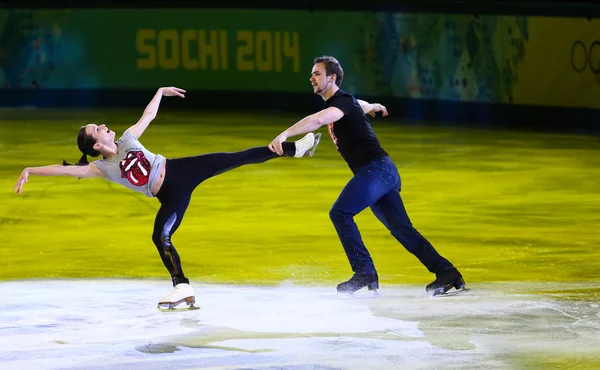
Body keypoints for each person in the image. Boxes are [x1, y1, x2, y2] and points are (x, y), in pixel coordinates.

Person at [13, 86, 322, 310]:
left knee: (236, 157)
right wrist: (31, 169)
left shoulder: (128, 139)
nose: (104, 125)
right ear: (95, 144)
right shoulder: (101, 168)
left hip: (181, 170)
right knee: (160, 236)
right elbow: (64, 171)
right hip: (170, 196)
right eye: (98, 128)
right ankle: (182, 287)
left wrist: (160, 92)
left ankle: (297, 149)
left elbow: (147, 116)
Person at [268, 56, 466, 296]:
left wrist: (284, 134)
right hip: (381, 172)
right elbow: (357, 105)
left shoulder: (340, 103)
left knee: (340, 213)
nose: (311, 78)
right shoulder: (345, 103)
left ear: (332, 78)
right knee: (402, 229)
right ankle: (447, 273)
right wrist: (372, 106)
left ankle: (364, 272)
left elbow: (319, 120)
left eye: (317, 74)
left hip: (377, 170)